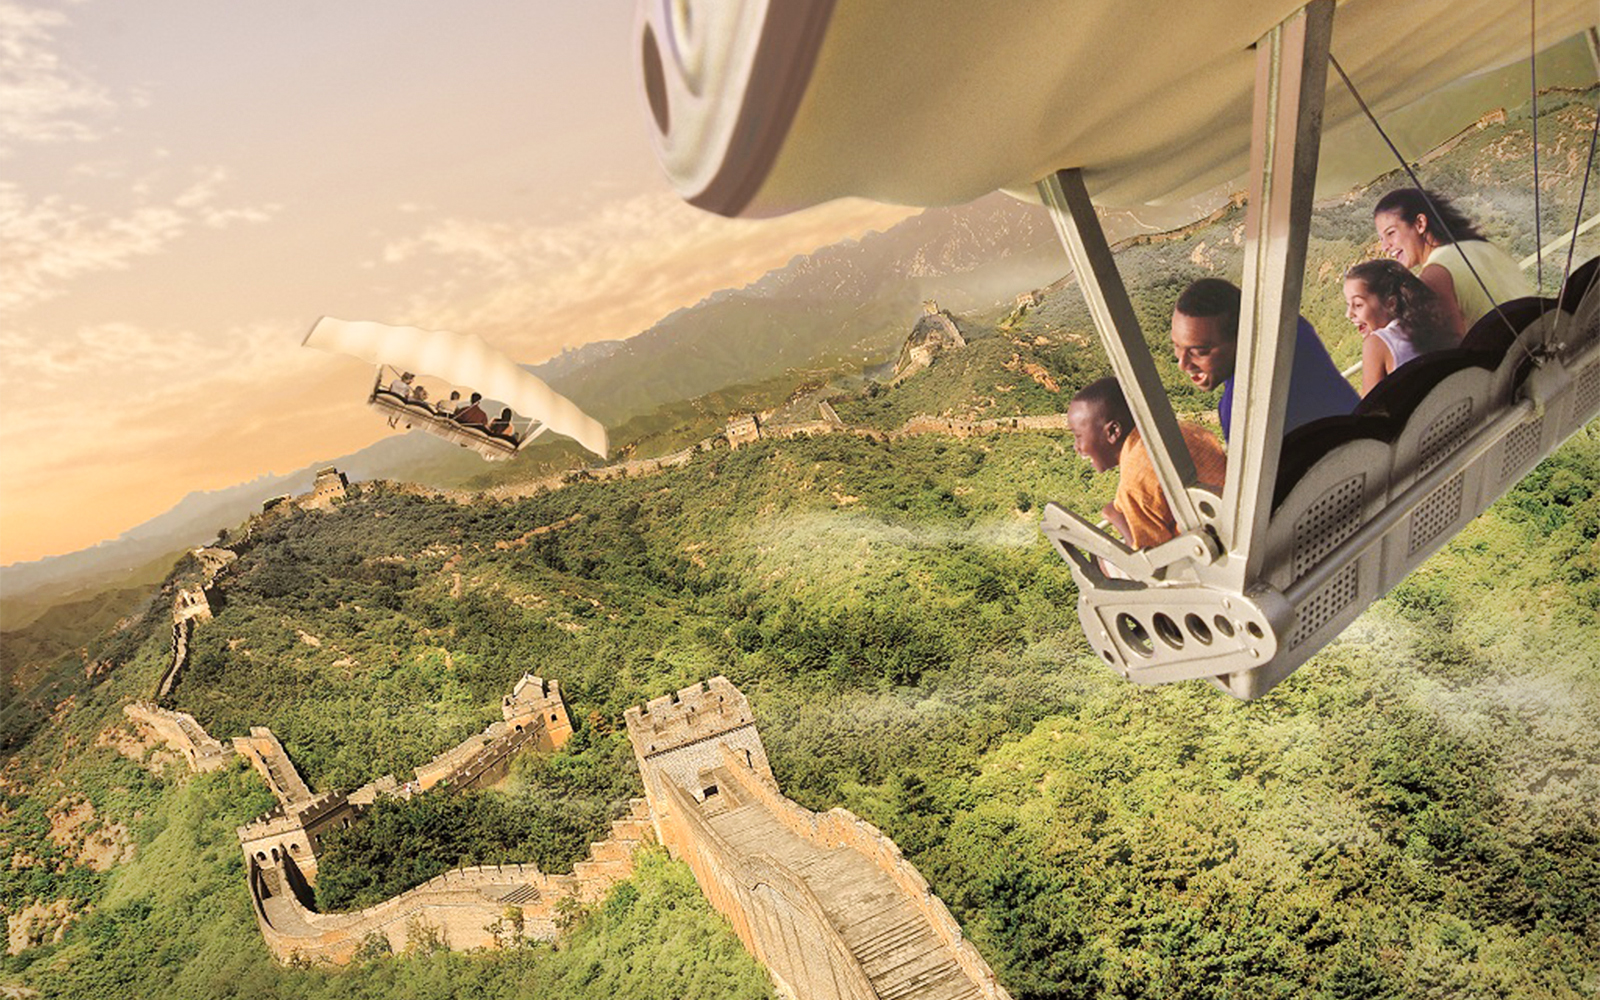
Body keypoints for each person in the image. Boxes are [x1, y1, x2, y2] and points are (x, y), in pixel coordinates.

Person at [1170, 277, 1358, 441]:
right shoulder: (1291, 327)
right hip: (1366, 439)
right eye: (1177, 346)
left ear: (1242, 338)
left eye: (1199, 351)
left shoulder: (1239, 408)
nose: (1183, 364)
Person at [1068, 377, 1227, 549]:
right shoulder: (1187, 430)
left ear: (1113, 431)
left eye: (1078, 436)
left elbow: (1154, 562)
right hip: (1233, 525)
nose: (1076, 447)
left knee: (1102, 562)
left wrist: (1115, 517)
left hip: (1209, 552)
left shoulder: (1134, 481)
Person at [1373, 188, 1533, 338]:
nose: (1385, 247)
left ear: (1420, 223)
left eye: (1391, 233)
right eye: (1382, 239)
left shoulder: (1435, 274)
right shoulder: (1482, 246)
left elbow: (1452, 349)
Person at [1344, 258, 1456, 395]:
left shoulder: (1376, 343)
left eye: (1358, 305)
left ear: (1391, 304)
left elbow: (1369, 409)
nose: (1348, 314)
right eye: (1348, 305)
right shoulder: (1431, 324)